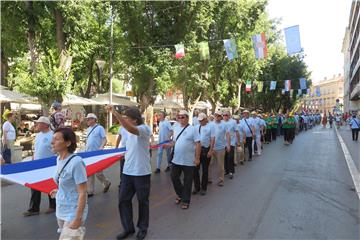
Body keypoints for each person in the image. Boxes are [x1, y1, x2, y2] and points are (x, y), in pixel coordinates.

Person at [107, 106, 152, 240]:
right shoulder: (125, 130)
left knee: (142, 201)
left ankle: (143, 228)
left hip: (142, 172)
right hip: (127, 171)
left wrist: (115, 112)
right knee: (123, 200)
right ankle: (128, 228)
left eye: (127, 117)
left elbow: (131, 129)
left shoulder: (144, 129)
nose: (124, 120)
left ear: (134, 119)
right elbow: (124, 146)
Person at [50, 127, 88, 235]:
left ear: (67, 143)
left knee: (69, 237)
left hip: (73, 210)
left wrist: (77, 218)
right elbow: (67, 181)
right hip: (61, 208)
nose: (52, 142)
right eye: (53, 139)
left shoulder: (76, 162)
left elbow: (82, 192)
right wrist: (59, 190)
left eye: (57, 139)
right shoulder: (59, 159)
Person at [167, 110, 201, 209]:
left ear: (187, 118)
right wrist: (167, 145)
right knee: (174, 177)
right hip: (176, 160)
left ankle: (185, 201)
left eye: (183, 117)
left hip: (188, 160)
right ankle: (181, 194)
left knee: (188, 181)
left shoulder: (193, 129)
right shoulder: (176, 128)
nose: (180, 119)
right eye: (179, 117)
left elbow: (198, 143)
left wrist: (197, 158)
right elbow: (175, 142)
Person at [23, 117, 56, 217]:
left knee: (50, 186)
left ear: (45, 124)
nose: (36, 125)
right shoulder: (38, 135)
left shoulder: (53, 135)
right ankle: (34, 208)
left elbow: (56, 150)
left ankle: (53, 205)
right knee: (34, 186)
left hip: (49, 165)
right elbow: (37, 149)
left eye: (39, 123)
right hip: (37, 165)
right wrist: (33, 159)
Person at [85, 113, 111, 197]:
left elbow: (104, 139)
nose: (87, 120)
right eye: (87, 119)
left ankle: (106, 182)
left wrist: (101, 147)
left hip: (96, 153)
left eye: (89, 119)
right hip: (88, 153)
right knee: (89, 172)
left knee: (98, 173)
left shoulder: (100, 128)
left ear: (94, 119)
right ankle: (90, 191)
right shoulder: (88, 129)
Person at [193, 113, 215, 195]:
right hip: (197, 150)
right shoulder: (196, 127)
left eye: (202, 120)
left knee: (205, 170)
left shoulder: (211, 126)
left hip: (206, 149)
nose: (200, 121)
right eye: (199, 120)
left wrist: (211, 150)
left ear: (206, 119)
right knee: (195, 169)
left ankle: (204, 188)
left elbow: (212, 139)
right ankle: (197, 187)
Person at [212, 111, 230, 186]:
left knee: (220, 165)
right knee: (209, 164)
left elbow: (228, 135)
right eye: (216, 115)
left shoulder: (224, 124)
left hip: (221, 148)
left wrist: (228, 145)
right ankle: (208, 179)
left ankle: (221, 179)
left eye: (219, 115)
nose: (217, 117)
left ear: (221, 116)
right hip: (211, 148)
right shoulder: (211, 124)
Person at [223, 111, 237, 178]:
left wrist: (238, 142)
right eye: (224, 115)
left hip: (231, 142)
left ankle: (231, 172)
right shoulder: (222, 122)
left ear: (229, 115)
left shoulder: (233, 122)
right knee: (225, 158)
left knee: (230, 157)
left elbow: (236, 131)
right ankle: (227, 170)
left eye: (226, 115)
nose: (225, 116)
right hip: (223, 143)